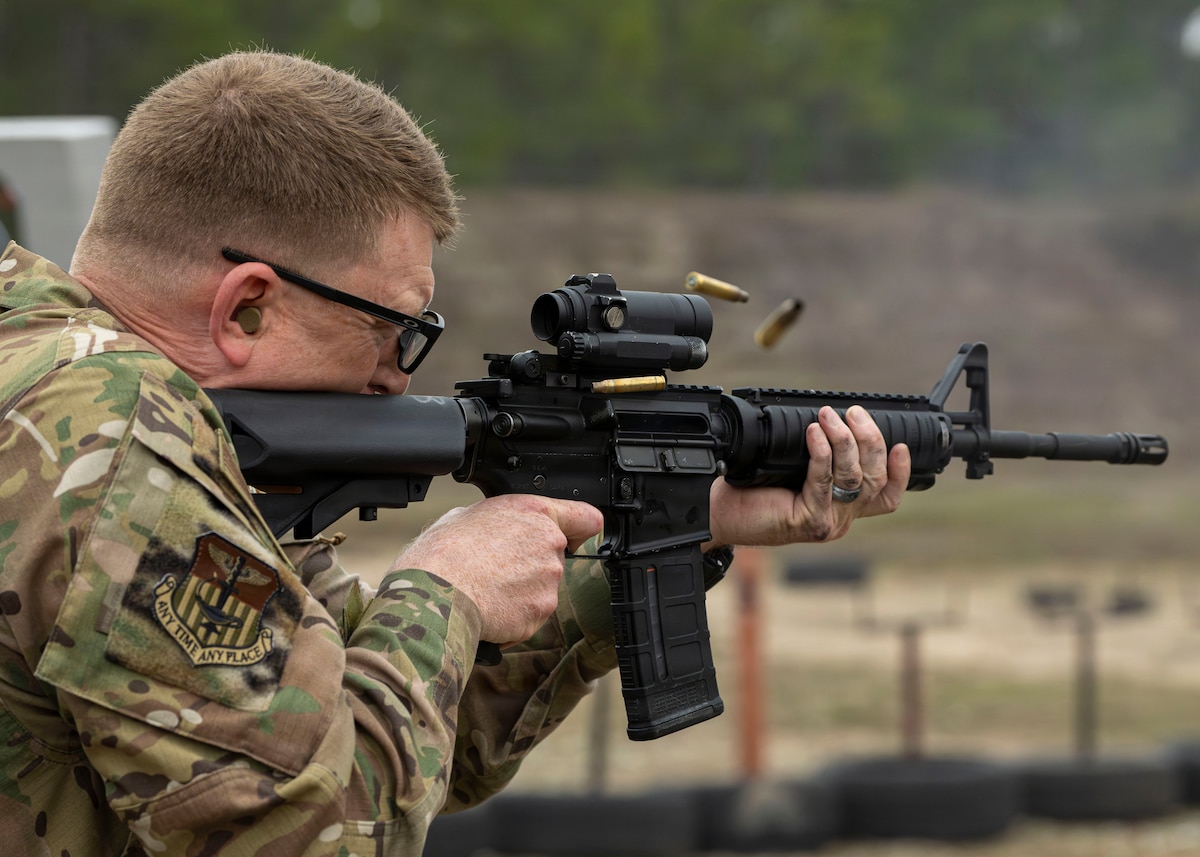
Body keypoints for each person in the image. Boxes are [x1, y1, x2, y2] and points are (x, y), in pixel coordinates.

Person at [0, 50, 911, 855]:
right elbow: (320, 831)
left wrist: (673, 527)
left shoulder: (67, 390)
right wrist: (445, 589)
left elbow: (387, 740)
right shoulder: (122, 440)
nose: (400, 377)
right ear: (247, 307)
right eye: (397, 329)